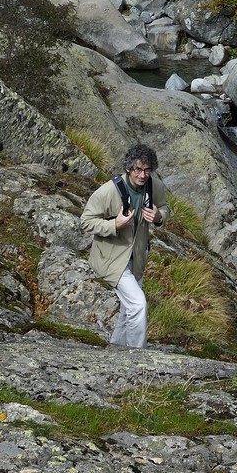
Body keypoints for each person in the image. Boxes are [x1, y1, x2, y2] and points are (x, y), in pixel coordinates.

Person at [80, 142, 168, 348]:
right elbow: (86, 221)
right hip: (111, 259)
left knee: (128, 309)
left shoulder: (154, 187)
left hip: (137, 258)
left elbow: (164, 207)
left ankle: (117, 349)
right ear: (128, 168)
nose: (143, 175)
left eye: (147, 170)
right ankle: (136, 356)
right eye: (138, 169)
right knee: (138, 304)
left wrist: (158, 217)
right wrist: (115, 225)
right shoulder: (109, 191)